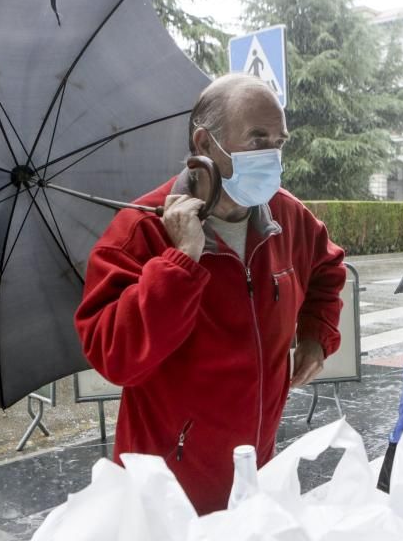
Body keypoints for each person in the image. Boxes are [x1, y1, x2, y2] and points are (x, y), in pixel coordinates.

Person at [74, 74, 346, 515]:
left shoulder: (288, 216)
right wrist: (180, 261)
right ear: (204, 143)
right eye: (257, 139)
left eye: (279, 142)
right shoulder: (139, 231)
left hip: (256, 471)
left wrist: (317, 334)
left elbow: (327, 269)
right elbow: (115, 357)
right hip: (167, 493)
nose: (271, 156)